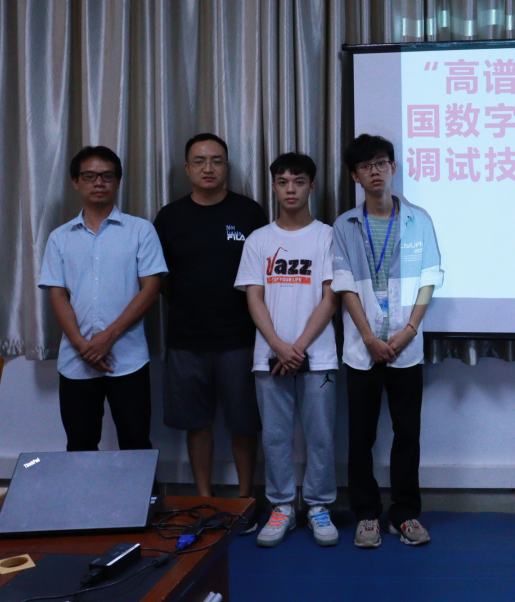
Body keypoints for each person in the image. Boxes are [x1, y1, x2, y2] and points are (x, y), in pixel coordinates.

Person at [332, 134, 443, 549]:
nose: (374, 171)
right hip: (362, 349)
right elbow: (344, 283)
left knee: (407, 434)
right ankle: (366, 515)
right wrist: (368, 337)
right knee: (360, 437)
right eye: (365, 166)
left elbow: (429, 278)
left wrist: (409, 330)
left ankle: (405, 514)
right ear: (355, 176)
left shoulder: (419, 220)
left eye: (381, 163)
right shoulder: (345, 225)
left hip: (405, 347)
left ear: (393, 167)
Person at [234, 153, 340, 548]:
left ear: (312, 186)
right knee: (275, 438)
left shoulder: (327, 236)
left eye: (298, 181)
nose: (290, 189)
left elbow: (331, 297)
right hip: (270, 356)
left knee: (321, 436)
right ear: (274, 187)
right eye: (282, 182)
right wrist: (279, 347)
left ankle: (318, 505)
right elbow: (254, 298)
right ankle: (281, 506)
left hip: (319, 356)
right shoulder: (259, 240)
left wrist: (299, 347)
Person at [154, 133, 266, 502]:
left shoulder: (249, 213)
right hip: (187, 339)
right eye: (200, 161)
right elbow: (160, 278)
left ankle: (245, 499)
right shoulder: (169, 217)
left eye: (216, 161)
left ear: (227, 167)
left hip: (241, 338)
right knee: (196, 424)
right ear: (187, 168)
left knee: (244, 423)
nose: (208, 168)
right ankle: (203, 499)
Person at [39, 146, 167, 452]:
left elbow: (151, 289)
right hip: (76, 360)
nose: (99, 182)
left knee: (136, 444)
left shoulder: (140, 230)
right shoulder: (60, 237)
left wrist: (107, 338)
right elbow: (57, 294)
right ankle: (85, 492)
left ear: (118, 181)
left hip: (129, 358)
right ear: (76, 181)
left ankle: (140, 490)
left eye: (107, 176)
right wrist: (82, 345)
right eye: (90, 176)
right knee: (80, 445)